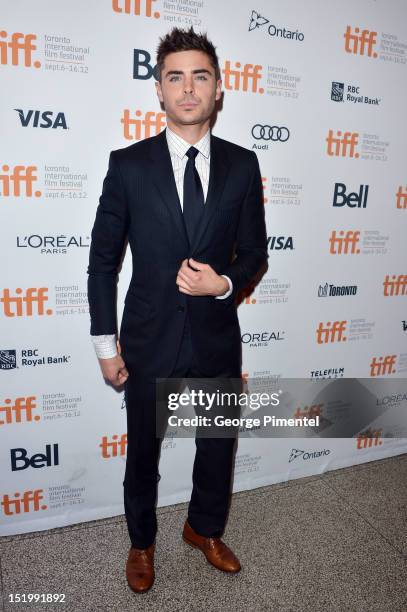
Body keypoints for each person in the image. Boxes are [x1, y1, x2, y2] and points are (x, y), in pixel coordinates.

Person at [87, 26, 268, 593]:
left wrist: (223, 283)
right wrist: (104, 345)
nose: (188, 88)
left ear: (219, 89)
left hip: (216, 334)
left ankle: (203, 528)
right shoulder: (128, 166)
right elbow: (101, 264)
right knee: (143, 450)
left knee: (217, 445)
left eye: (201, 76)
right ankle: (142, 542)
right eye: (175, 77)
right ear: (159, 91)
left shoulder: (242, 165)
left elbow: (256, 251)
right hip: (147, 337)